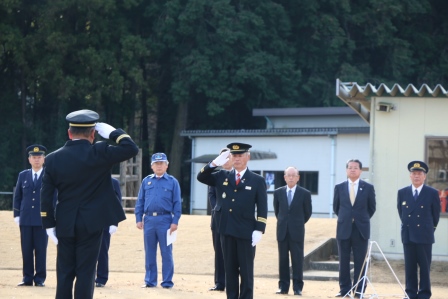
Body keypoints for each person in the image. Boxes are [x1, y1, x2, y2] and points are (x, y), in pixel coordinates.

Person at [40, 109, 139, 299]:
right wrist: (113, 133)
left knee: (64, 273)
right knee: (86, 273)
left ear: (69, 133)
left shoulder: (52, 158)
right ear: (93, 134)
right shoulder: (100, 151)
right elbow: (131, 148)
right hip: (92, 223)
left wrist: (48, 224)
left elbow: (47, 195)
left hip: (65, 221)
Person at [197, 142, 268, 299]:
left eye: (240, 155)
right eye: (234, 156)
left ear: (247, 157)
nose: (237, 159)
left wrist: (259, 228)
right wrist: (215, 163)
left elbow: (262, 207)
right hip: (226, 231)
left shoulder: (256, 180)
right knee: (230, 271)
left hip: (246, 232)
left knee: (246, 272)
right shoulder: (222, 176)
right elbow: (201, 176)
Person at [135, 152, 182, 289]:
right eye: (156, 163)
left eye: (162, 163)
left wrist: (175, 221)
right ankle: (150, 280)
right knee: (149, 251)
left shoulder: (172, 182)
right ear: (152, 166)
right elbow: (140, 201)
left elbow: (177, 203)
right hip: (149, 219)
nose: (159, 166)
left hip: (165, 219)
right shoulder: (146, 181)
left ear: (167, 165)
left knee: (166, 252)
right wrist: (138, 218)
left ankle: (167, 281)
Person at [333, 159, 376, 298]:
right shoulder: (339, 187)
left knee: (360, 261)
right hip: (343, 228)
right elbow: (336, 207)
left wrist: (360, 219)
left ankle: (359, 291)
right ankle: (344, 289)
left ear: (360, 171)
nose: (352, 170)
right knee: (343, 261)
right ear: (346, 170)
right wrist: (346, 218)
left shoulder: (368, 187)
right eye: (350, 167)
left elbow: (371, 208)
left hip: (361, 229)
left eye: (355, 167)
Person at [397, 161, 440, 299]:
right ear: (410, 176)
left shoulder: (432, 193)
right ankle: (410, 292)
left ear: (424, 177)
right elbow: (401, 212)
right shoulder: (402, 192)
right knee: (410, 267)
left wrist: (429, 230)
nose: (416, 176)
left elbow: (436, 215)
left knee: (424, 267)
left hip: (424, 235)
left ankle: (424, 293)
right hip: (408, 234)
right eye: (414, 173)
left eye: (419, 174)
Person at [13, 145, 49, 287]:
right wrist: (17, 214)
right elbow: (18, 196)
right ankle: (27, 278)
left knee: (41, 250)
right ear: (29, 159)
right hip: (26, 219)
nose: (36, 160)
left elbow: (53, 197)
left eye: (39, 157)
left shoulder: (49, 175)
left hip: (42, 219)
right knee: (26, 249)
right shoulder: (23, 175)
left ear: (44, 159)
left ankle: (39, 278)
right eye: (34, 157)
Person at [273, 166, 312, 296]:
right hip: (282, 231)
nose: (290, 177)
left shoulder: (305, 193)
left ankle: (297, 287)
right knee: (282, 260)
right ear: (284, 177)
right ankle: (283, 287)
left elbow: (307, 213)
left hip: (297, 232)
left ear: (298, 178)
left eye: (293, 175)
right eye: (288, 175)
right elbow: (277, 211)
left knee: (297, 260)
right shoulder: (278, 192)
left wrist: (297, 223)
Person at [208, 148, 233, 292]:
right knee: (219, 252)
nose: (225, 160)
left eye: (227, 157)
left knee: (233, 253)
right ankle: (219, 282)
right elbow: (212, 195)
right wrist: (217, 209)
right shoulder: (215, 176)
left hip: (234, 219)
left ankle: (232, 282)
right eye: (222, 158)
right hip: (218, 218)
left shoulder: (239, 176)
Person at [95, 177, 122, 287]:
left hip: (105, 221)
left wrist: (114, 222)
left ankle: (101, 278)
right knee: (86, 252)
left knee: (102, 251)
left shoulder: (113, 182)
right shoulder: (87, 179)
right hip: (87, 221)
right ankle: (87, 277)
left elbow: (117, 202)